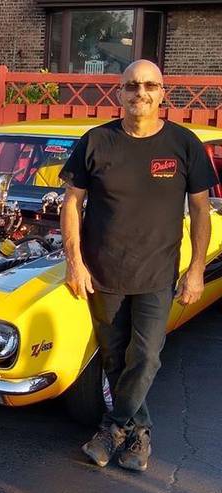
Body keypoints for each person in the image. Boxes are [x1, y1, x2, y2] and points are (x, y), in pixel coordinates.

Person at [59, 59, 217, 471]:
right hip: (103, 273)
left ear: (162, 92)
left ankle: (112, 427)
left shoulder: (184, 145)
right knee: (113, 359)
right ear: (120, 92)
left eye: (149, 85)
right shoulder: (95, 141)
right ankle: (138, 433)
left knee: (146, 357)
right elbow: (72, 203)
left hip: (157, 273)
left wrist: (196, 269)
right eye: (131, 86)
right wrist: (74, 262)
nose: (140, 93)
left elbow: (200, 212)